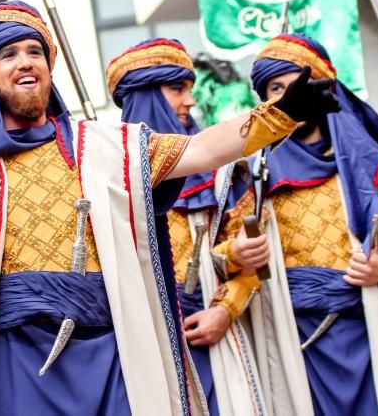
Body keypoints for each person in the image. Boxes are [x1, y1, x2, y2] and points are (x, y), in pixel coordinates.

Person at [0, 1, 337, 415]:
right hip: (14, 358)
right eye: (8, 54)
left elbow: (203, 149)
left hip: (110, 351)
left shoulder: (106, 147)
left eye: (34, 51)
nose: (25, 62)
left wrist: (281, 115)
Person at [215, 34, 378, 416]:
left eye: (296, 84)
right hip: (292, 337)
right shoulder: (250, 173)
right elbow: (222, 257)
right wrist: (235, 253)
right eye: (275, 88)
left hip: (368, 325)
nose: (288, 96)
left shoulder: (371, 165)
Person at [107, 38, 265, 415]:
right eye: (177, 89)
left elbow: (258, 265)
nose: (190, 101)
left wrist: (225, 309)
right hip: (135, 347)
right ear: (144, 95)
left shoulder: (226, 172)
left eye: (191, 90)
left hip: (210, 338)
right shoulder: (103, 175)